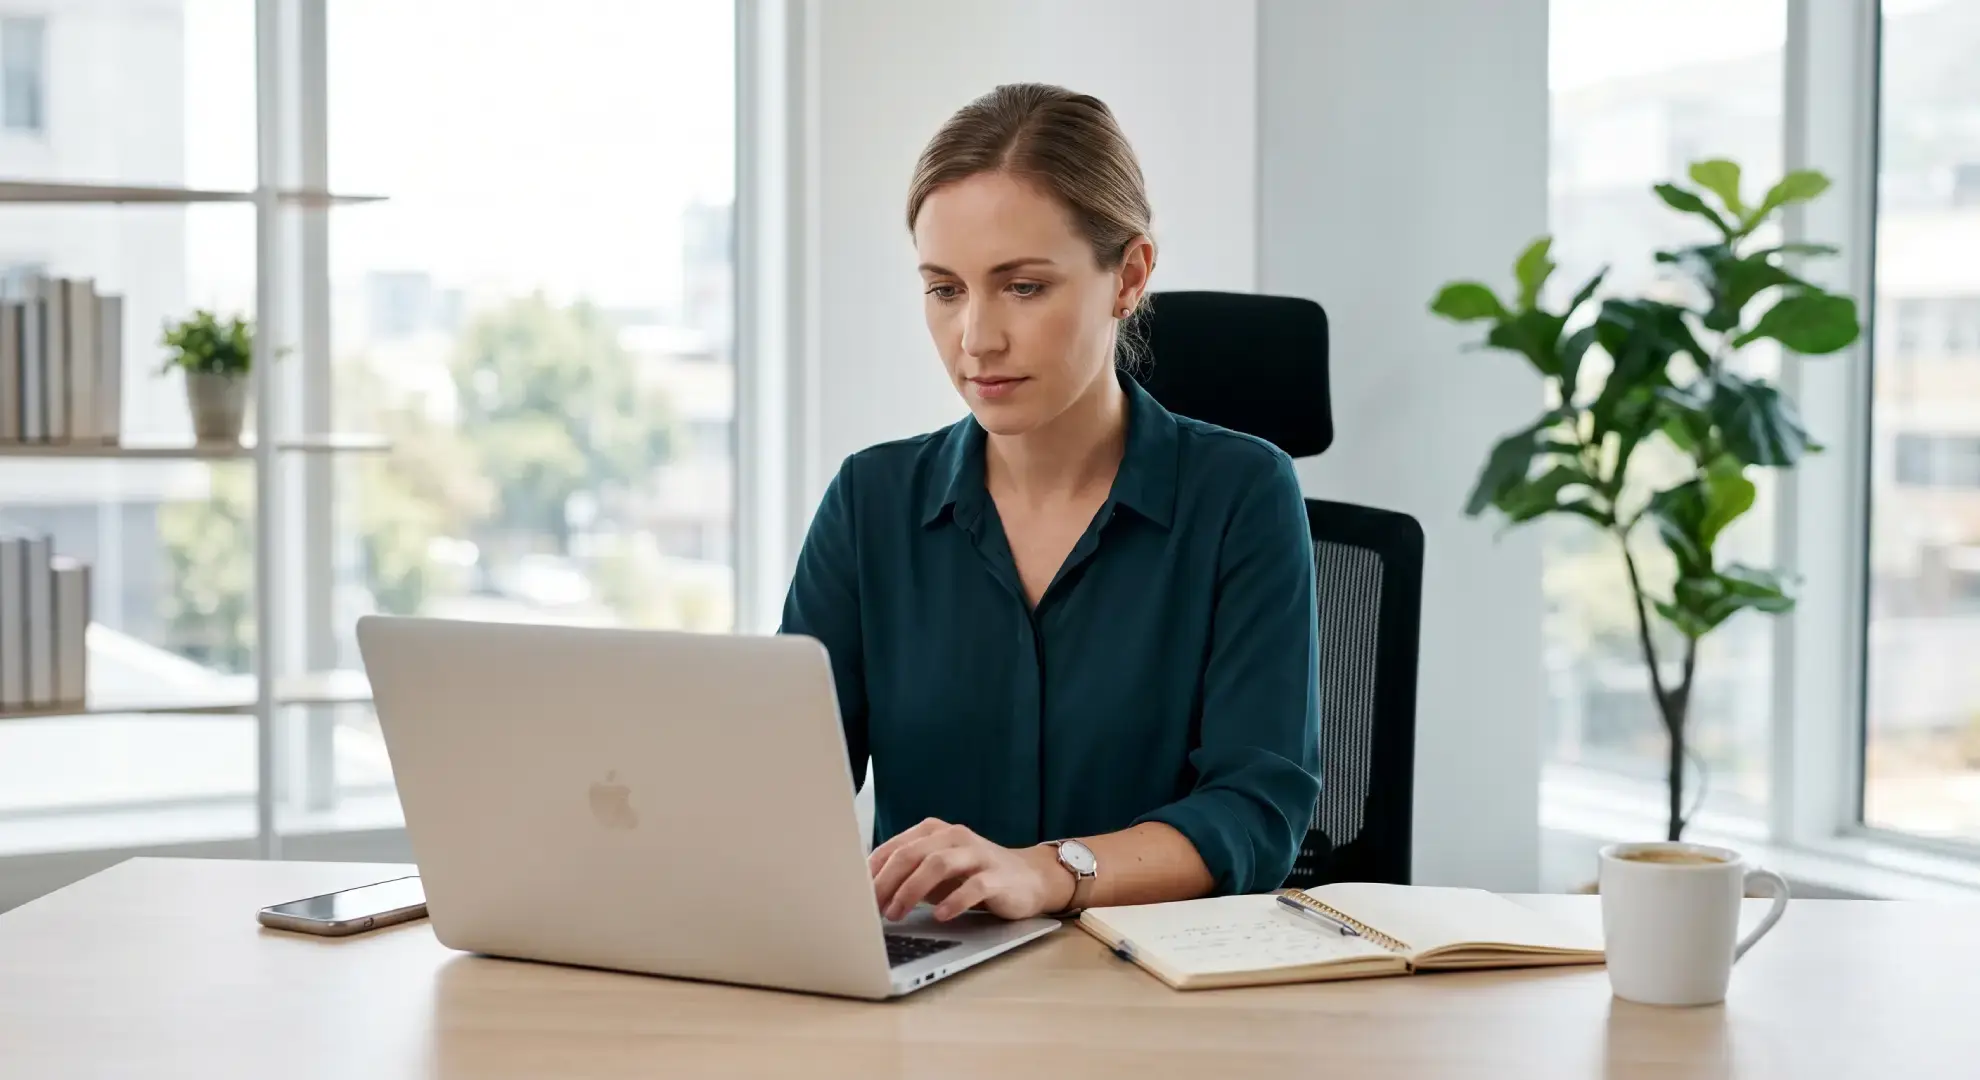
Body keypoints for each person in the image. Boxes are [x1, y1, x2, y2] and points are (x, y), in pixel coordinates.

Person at [780, 83, 1320, 924]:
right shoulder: (870, 502)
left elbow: (1256, 811)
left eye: (1023, 287)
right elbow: (783, 785)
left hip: (1153, 999)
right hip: (929, 993)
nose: (977, 339)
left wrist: (1048, 871)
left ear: (1129, 276)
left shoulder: (1241, 497)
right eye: (945, 289)